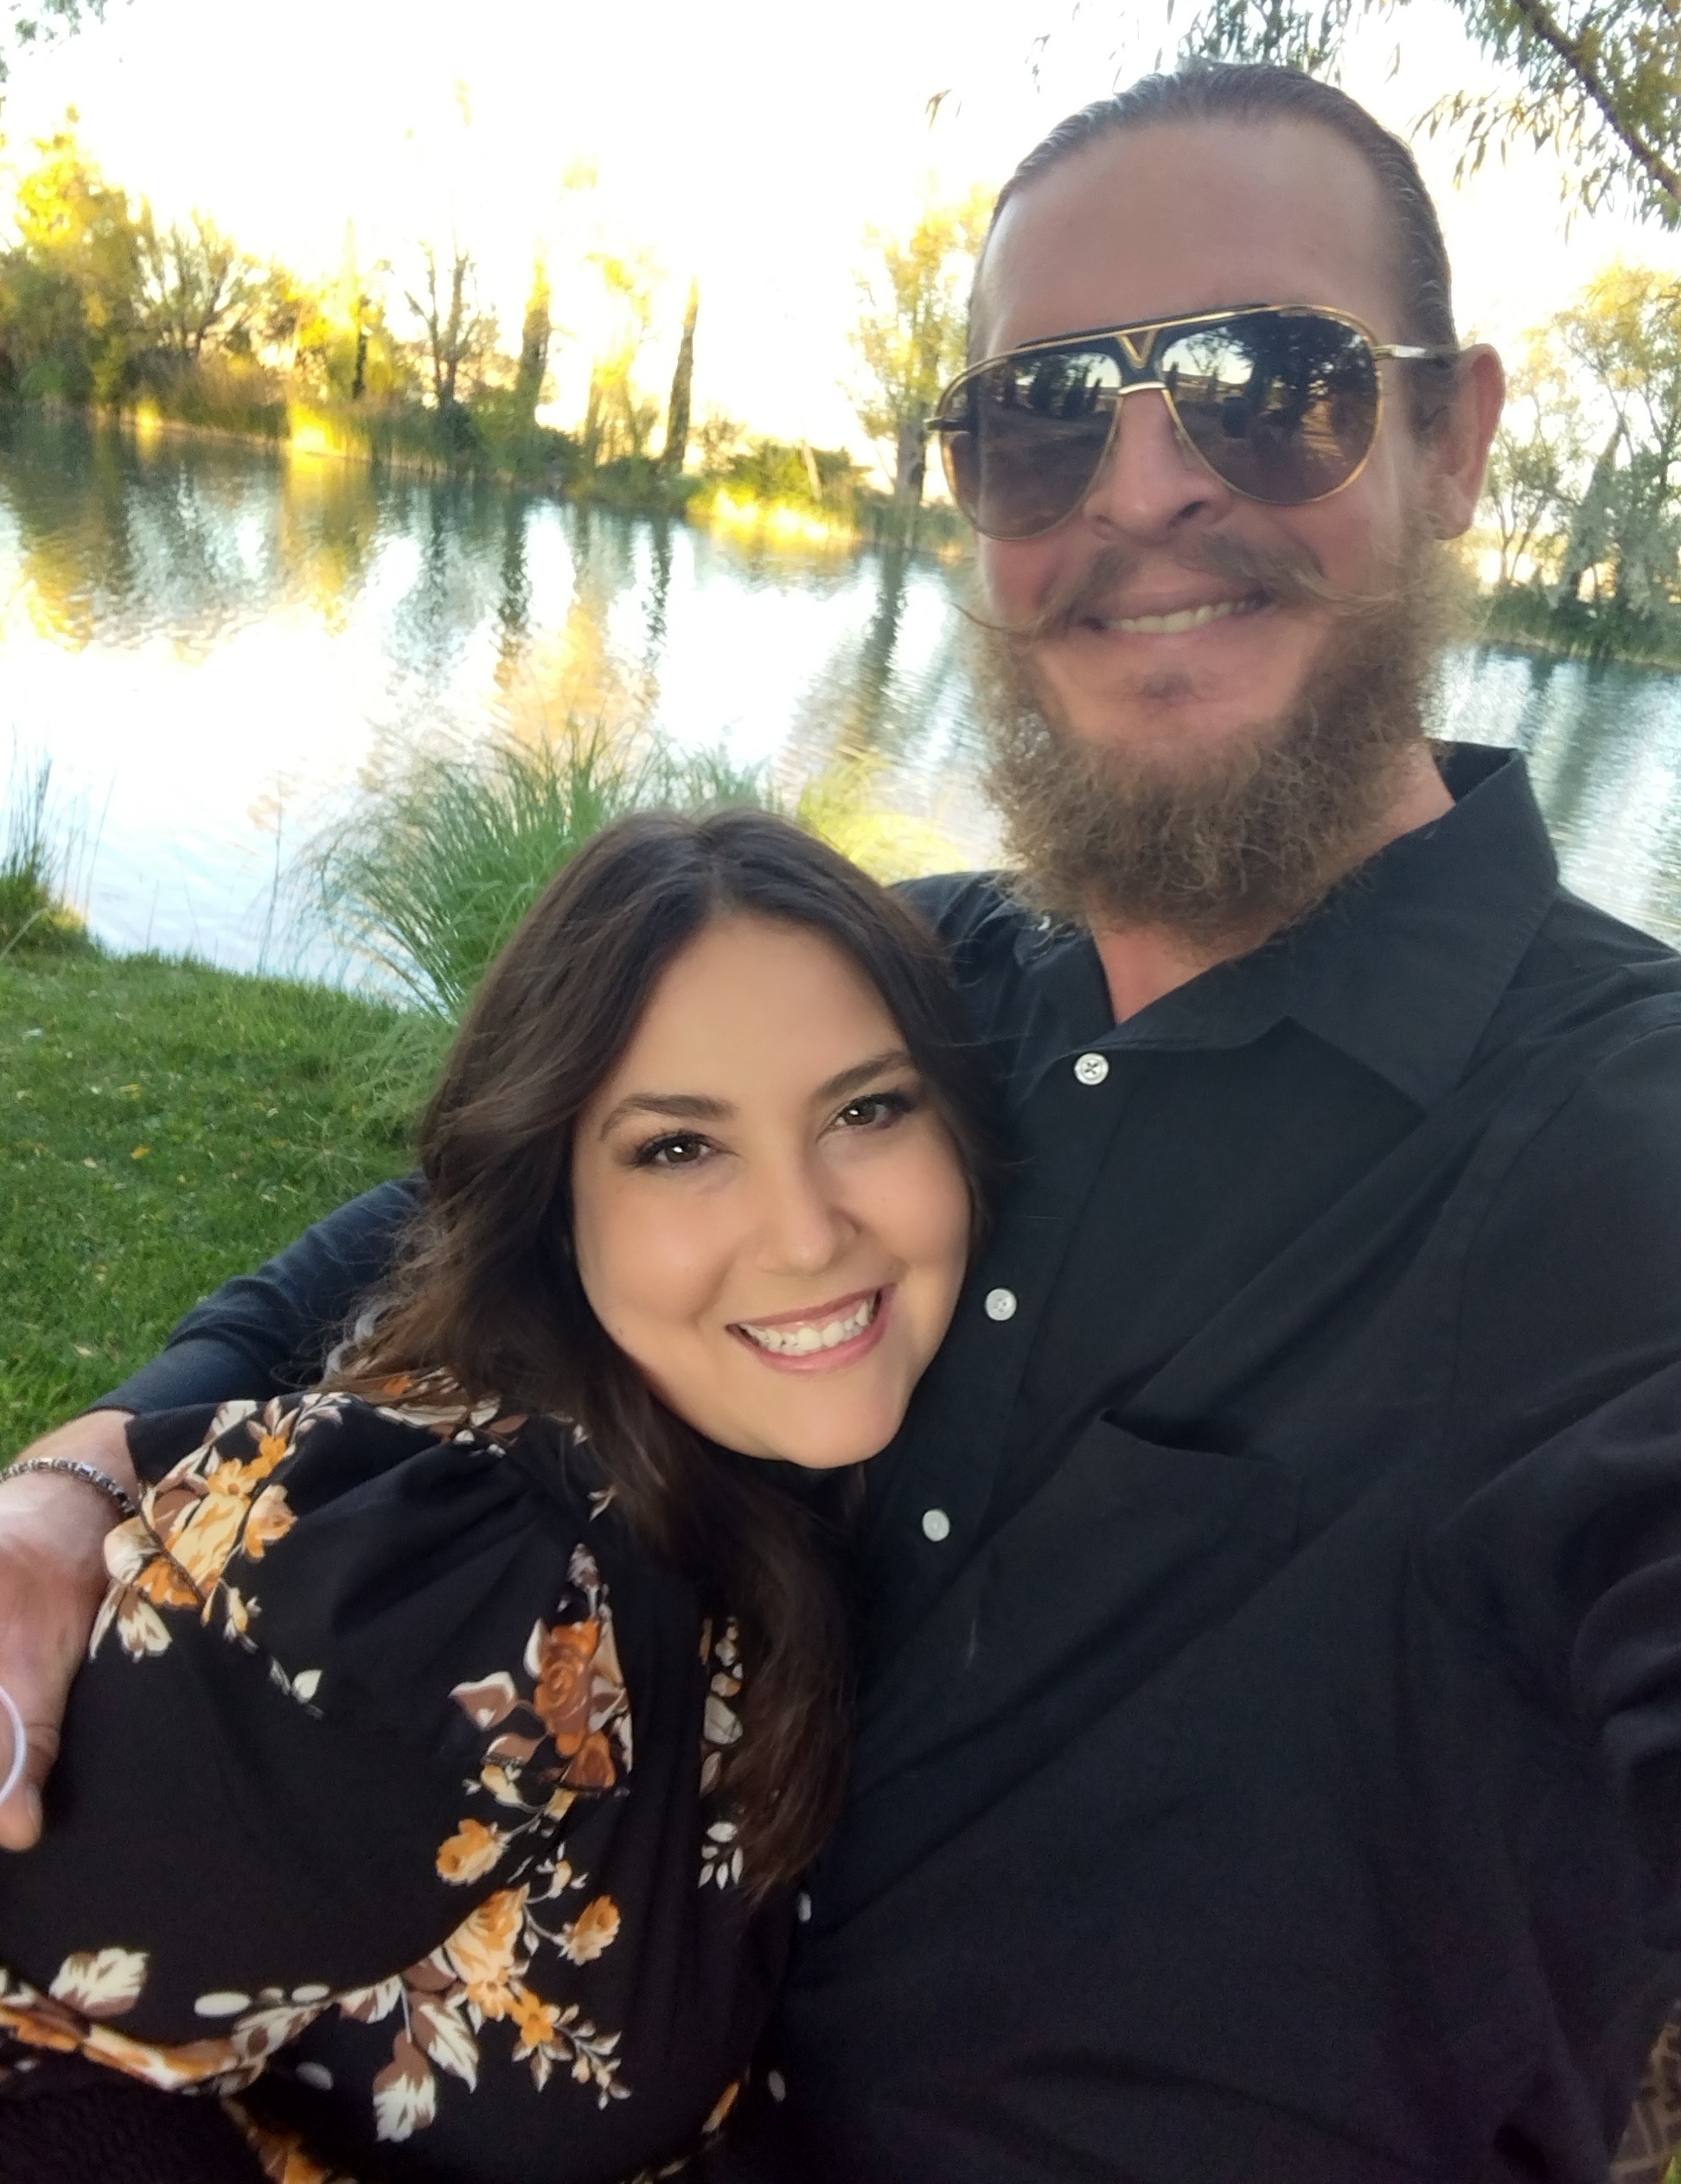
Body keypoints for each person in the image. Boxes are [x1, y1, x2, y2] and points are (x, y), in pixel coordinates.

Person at [6, 57, 1681, 2182]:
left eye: (1270, 388)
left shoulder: (1627, 1157)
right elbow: (446, 1224)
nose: (1144, 491)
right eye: (1041, 420)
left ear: (1453, 440)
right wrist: (82, 1472)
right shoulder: (919, 985)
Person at [0, 806, 989, 2181]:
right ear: (553, 1201)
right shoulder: (441, 1584)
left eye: (866, 1110)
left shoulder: (756, 1483)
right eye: (679, 1147)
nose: (810, 1233)